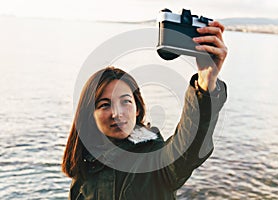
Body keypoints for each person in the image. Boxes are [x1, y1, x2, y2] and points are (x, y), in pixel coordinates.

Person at [62, 21, 228, 199]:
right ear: (90, 116)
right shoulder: (84, 172)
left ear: (137, 110)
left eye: (125, 101)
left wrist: (205, 83)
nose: (117, 114)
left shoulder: (155, 160)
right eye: (104, 104)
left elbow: (188, 147)